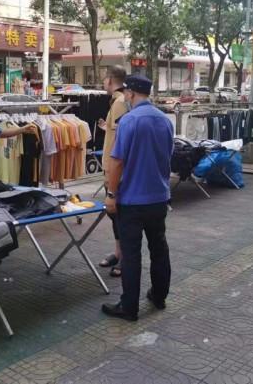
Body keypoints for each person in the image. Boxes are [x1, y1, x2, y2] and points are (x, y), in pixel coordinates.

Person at [102, 75, 174, 321]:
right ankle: (159, 296)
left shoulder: (129, 120)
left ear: (131, 94)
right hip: (158, 198)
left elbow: (117, 161)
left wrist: (111, 195)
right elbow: (168, 157)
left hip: (132, 201)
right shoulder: (165, 120)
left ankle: (129, 307)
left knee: (131, 254)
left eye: (126, 93)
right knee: (159, 249)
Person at [97, 65, 129, 277]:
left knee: (119, 214)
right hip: (113, 168)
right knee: (114, 214)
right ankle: (118, 253)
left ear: (109, 80)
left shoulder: (119, 102)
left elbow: (120, 140)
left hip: (116, 169)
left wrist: (111, 172)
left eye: (104, 79)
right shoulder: (120, 101)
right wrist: (106, 127)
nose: (103, 83)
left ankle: (124, 257)